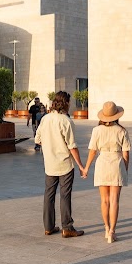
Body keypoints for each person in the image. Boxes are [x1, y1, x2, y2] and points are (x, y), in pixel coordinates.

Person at [36, 90, 86, 238]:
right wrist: (81, 166)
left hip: (50, 163)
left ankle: (48, 226)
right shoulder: (67, 121)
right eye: (69, 102)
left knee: (48, 195)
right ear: (65, 104)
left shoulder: (45, 119)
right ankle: (67, 227)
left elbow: (37, 139)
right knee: (65, 195)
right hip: (65, 164)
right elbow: (72, 146)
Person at [82, 101, 131, 243]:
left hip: (102, 162)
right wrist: (125, 169)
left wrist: (86, 168)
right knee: (114, 200)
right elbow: (126, 154)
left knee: (104, 200)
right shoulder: (122, 131)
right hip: (117, 162)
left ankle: (106, 227)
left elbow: (92, 151)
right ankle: (112, 232)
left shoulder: (96, 130)